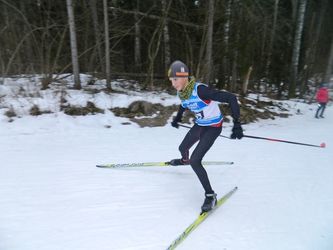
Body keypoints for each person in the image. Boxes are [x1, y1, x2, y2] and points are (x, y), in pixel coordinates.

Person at [168, 60, 243, 213]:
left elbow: (231, 98)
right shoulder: (182, 92)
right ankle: (184, 161)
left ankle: (210, 195)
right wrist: (177, 118)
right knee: (182, 148)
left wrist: (237, 123)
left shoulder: (201, 91)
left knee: (196, 160)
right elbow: (184, 104)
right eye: (171, 80)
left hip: (213, 128)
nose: (173, 83)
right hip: (201, 125)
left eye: (175, 79)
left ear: (184, 78)